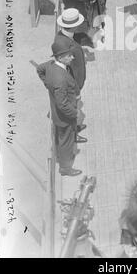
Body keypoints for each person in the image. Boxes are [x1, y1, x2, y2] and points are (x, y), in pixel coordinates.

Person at [36, 41, 85, 177]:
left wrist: (47, 83)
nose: (72, 58)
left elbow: (39, 69)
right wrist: (75, 113)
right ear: (61, 57)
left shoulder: (51, 65)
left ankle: (75, 134)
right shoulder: (60, 79)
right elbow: (62, 105)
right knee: (65, 143)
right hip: (64, 117)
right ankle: (65, 168)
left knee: (68, 136)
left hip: (64, 113)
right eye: (69, 56)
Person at [55, 8, 87, 93]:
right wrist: (76, 93)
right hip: (73, 89)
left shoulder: (58, 37)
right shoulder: (72, 48)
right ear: (75, 27)